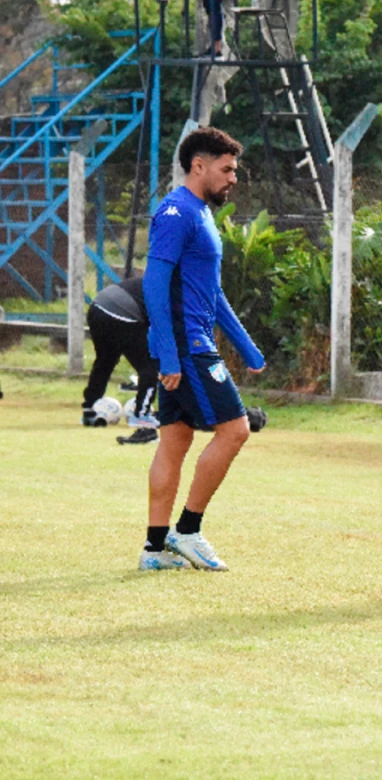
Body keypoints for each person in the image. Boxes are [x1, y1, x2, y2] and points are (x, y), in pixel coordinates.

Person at [139, 126, 264, 572]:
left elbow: (211, 292)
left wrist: (246, 347)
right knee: (236, 430)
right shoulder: (177, 212)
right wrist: (171, 355)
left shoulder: (202, 214)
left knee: (175, 440)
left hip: (190, 345)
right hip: (188, 348)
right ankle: (188, 530)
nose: (233, 178)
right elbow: (154, 283)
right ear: (199, 166)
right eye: (226, 169)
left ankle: (154, 550)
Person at [80, 276, 160, 444]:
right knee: (150, 366)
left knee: (105, 359)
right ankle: (142, 417)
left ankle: (90, 409)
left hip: (97, 307)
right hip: (122, 313)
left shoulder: (161, 278)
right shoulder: (178, 292)